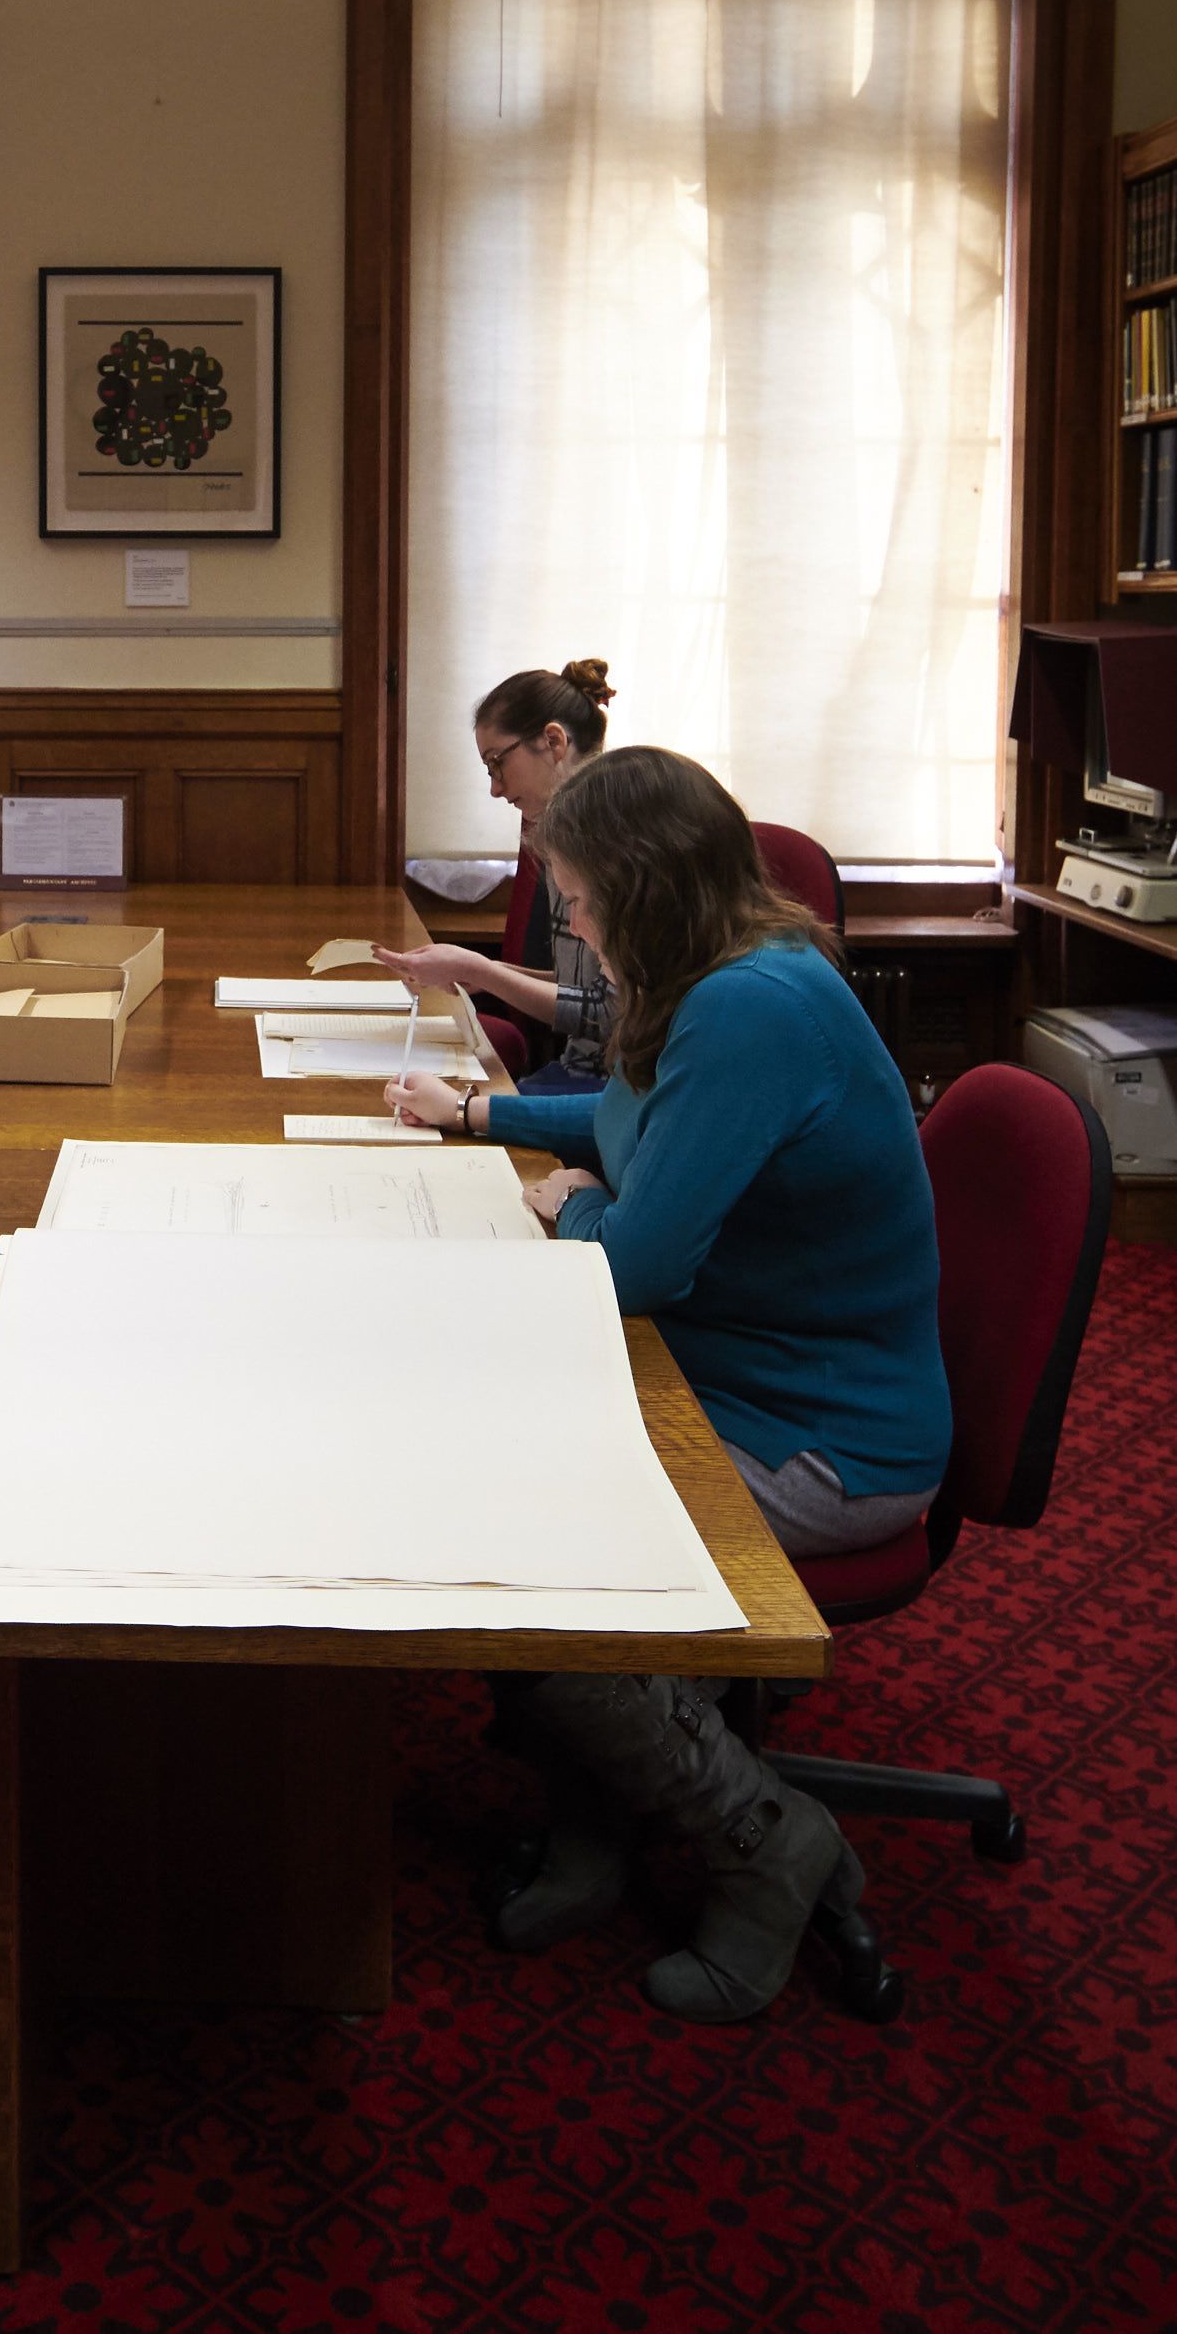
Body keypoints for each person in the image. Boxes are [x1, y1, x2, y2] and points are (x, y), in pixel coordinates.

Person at [383, 745, 950, 2023]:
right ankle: (605, 1814)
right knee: (482, 1467)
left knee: (528, 1552)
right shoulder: (705, 979)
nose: (568, 923)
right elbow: (635, 1125)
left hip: (818, 1439)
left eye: (576, 899)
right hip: (725, 1368)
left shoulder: (752, 1008)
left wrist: (579, 1212)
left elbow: (628, 1269)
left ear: (637, 890)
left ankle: (764, 1838)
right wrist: (485, 1123)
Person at [375, 659, 619, 1096]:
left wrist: (483, 971)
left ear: (553, 741)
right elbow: (580, 990)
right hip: (579, 1075)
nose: (495, 788)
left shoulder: (620, 840)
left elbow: (613, 1014)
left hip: (614, 1090)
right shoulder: (567, 831)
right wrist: (485, 971)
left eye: (496, 764)